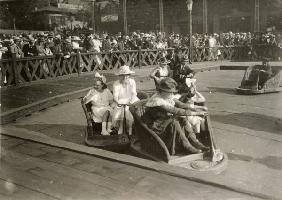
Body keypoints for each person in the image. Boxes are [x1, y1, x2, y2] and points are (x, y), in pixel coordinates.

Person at [142, 78, 208, 155]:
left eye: (172, 92)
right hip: (155, 124)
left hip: (164, 120)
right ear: (162, 91)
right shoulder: (157, 100)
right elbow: (175, 110)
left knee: (183, 120)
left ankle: (195, 142)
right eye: (169, 92)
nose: (171, 94)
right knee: (174, 121)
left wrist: (198, 107)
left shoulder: (167, 96)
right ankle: (187, 145)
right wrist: (196, 113)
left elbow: (181, 104)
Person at [112, 65, 139, 135]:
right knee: (119, 111)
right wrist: (118, 102)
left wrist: (130, 102)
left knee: (128, 111)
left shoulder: (132, 82)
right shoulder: (116, 83)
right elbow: (115, 96)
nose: (125, 77)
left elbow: (133, 93)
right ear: (119, 76)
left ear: (129, 75)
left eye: (127, 75)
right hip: (120, 100)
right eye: (122, 75)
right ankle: (120, 126)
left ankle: (130, 128)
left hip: (131, 99)